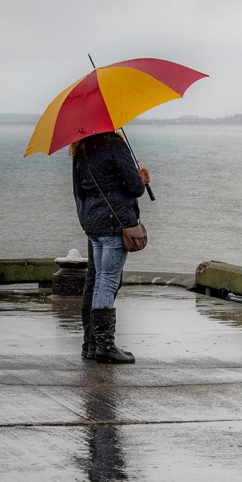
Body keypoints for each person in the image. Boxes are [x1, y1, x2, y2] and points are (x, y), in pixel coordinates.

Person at [71, 131, 149, 364]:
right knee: (108, 281)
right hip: (115, 224)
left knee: (98, 280)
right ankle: (105, 345)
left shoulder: (81, 150)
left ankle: (94, 343)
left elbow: (81, 191)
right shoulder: (114, 145)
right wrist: (142, 178)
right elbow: (133, 187)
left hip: (94, 224)